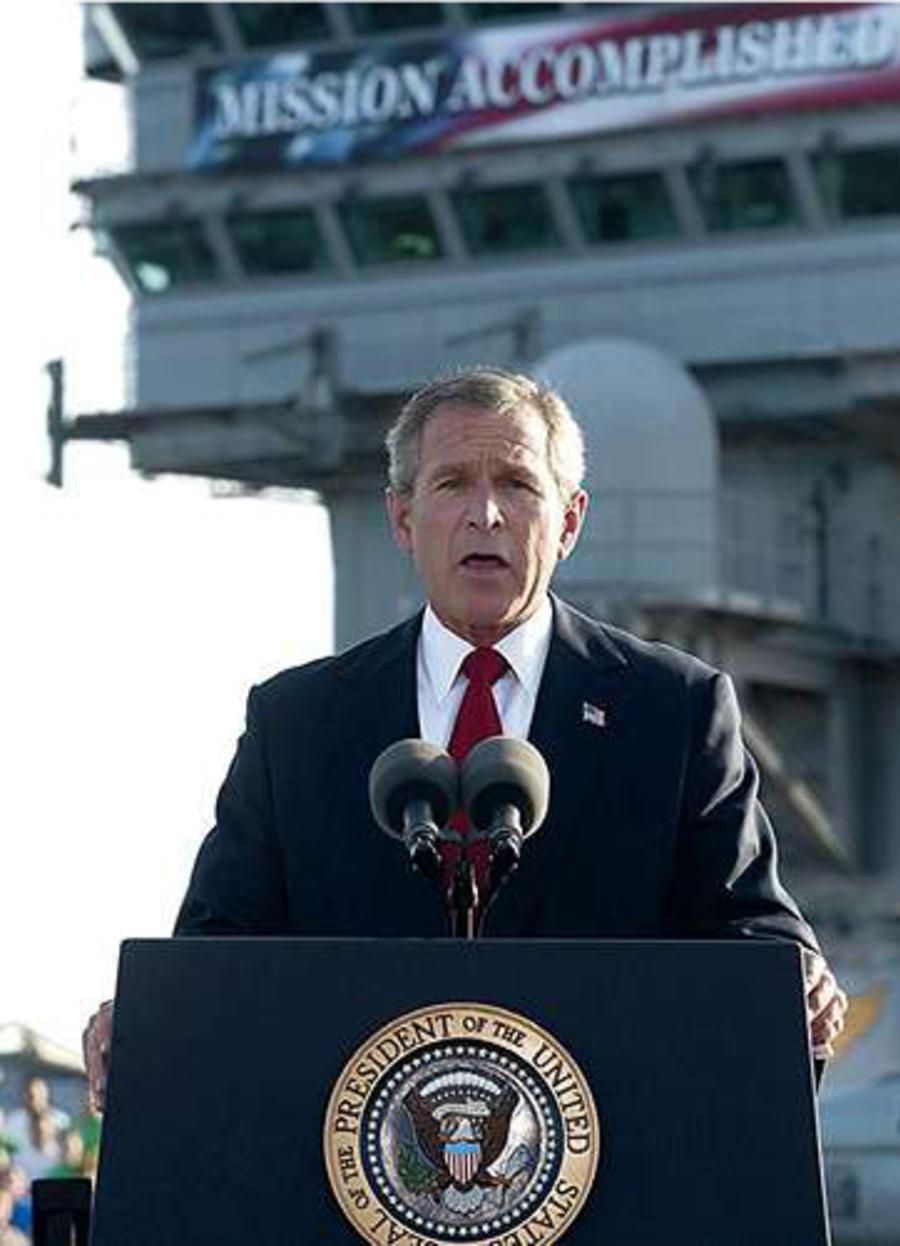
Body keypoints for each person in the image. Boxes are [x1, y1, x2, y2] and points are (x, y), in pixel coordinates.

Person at [85, 366, 847, 1107]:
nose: (486, 514)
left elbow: (750, 941)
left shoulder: (674, 710)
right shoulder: (299, 722)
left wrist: (799, 987)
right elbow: (218, 955)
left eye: (517, 485)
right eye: (452, 484)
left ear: (569, 521)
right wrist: (151, 1023)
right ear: (403, 519)